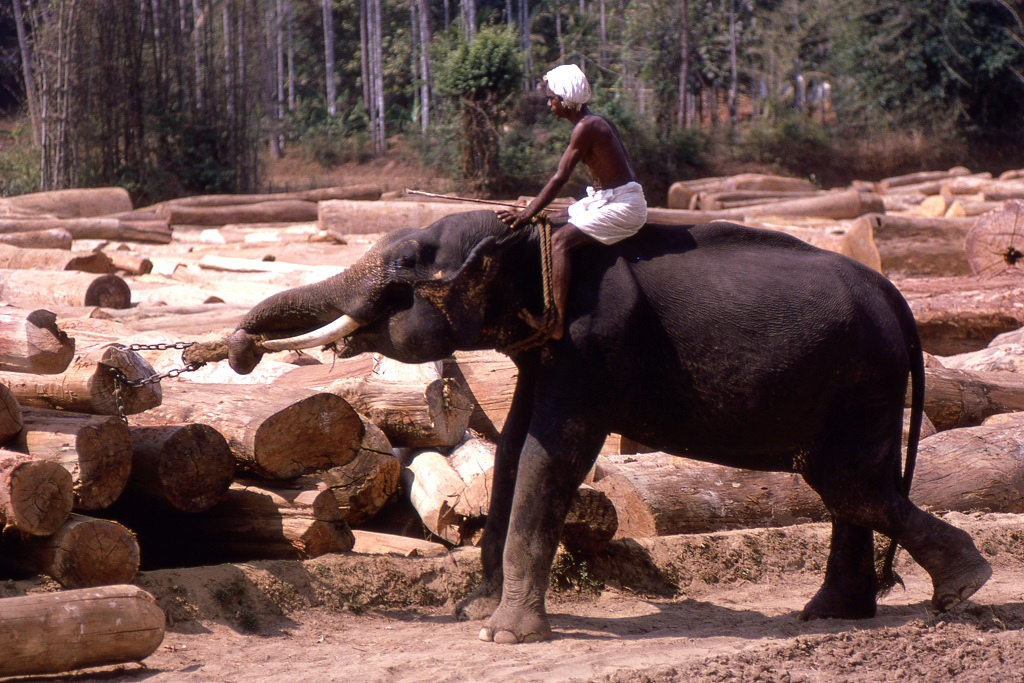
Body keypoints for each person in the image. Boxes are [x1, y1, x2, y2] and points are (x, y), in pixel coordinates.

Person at [497, 63, 647, 341]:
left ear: (566, 100)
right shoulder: (594, 122)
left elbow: (559, 177)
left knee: (559, 241)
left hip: (622, 206)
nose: (549, 103)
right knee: (550, 221)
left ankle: (554, 321)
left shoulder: (587, 128)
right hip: (607, 200)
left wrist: (528, 212)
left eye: (552, 98)